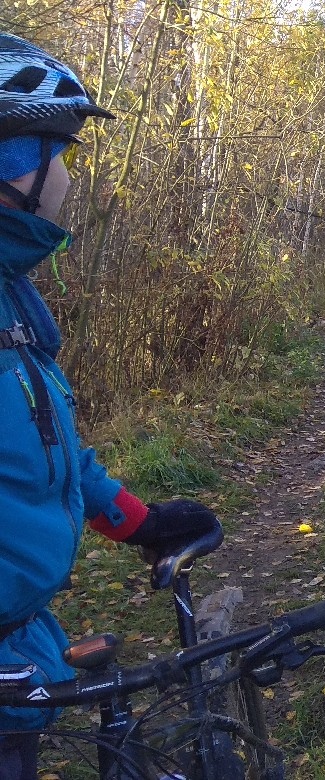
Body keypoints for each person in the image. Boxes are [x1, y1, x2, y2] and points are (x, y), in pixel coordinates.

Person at [0, 33, 222, 777]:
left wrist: (142, 523)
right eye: (56, 153)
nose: (67, 176)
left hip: (21, 647)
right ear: (13, 169)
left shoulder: (16, 301)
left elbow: (49, 456)